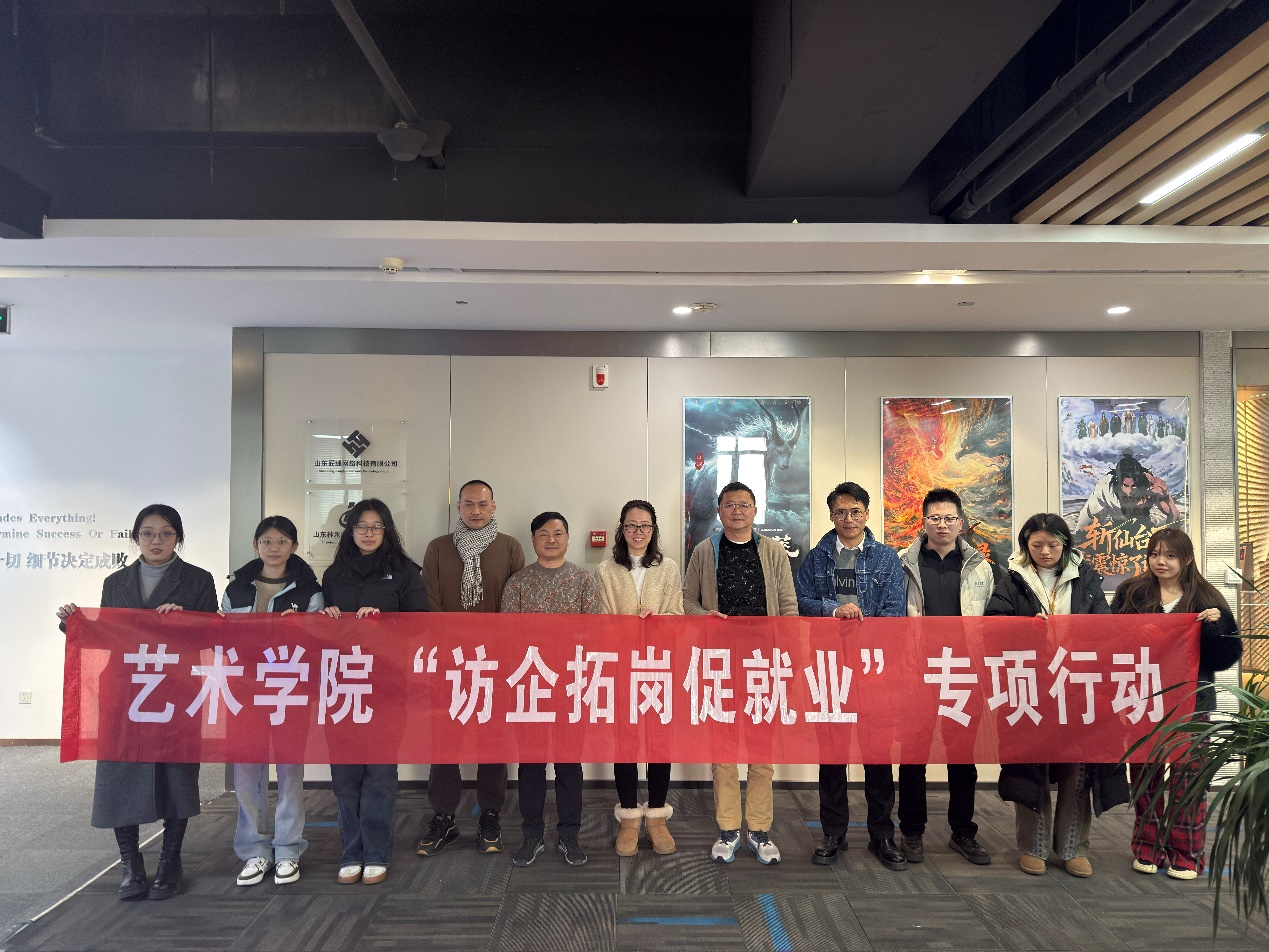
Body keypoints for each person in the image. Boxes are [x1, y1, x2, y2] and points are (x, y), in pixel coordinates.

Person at [56, 504, 218, 902]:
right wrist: (72, 623)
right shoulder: (116, 582)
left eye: (165, 533)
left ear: (178, 537)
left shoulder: (198, 579)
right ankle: (130, 864)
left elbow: (214, 635)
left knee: (178, 776)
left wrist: (187, 619)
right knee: (120, 774)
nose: (156, 540)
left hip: (175, 691)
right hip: (125, 691)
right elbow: (109, 636)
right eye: (147, 533)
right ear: (136, 537)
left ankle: (169, 863)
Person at [986, 513, 1127, 878]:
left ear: (1065, 545)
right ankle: (1032, 846)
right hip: (1031, 685)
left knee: (1076, 769)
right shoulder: (1012, 580)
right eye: (1037, 545)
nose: (1045, 552)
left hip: (1076, 684)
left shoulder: (1086, 578)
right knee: (1030, 765)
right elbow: (993, 627)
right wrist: (1024, 629)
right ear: (1026, 546)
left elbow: (1106, 627)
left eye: (1052, 545)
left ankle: (1072, 847)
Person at [1111, 527, 1240, 880]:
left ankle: (1186, 852)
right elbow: (1112, 641)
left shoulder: (1207, 598)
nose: (1161, 562)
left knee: (1189, 777)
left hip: (1192, 701)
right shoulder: (1131, 593)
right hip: (1143, 699)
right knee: (1145, 777)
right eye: (1155, 554)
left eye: (1170, 555)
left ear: (1187, 559)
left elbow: (1226, 657)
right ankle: (1147, 847)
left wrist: (1214, 628)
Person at [684, 481, 797, 866]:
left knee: (762, 750)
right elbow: (687, 600)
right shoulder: (705, 551)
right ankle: (729, 829)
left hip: (764, 662)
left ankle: (760, 830)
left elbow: (788, 604)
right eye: (729, 505)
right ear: (720, 511)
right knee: (724, 751)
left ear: (755, 510)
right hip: (720, 662)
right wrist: (705, 616)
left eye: (744, 504)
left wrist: (787, 652)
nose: (737, 511)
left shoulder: (773, 551)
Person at [794, 482, 907, 870]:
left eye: (855, 511)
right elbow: (801, 602)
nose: (848, 518)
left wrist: (863, 626)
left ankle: (882, 835)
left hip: (874, 669)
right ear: (831, 516)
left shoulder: (886, 558)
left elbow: (895, 610)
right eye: (840, 512)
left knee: (877, 755)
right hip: (829, 668)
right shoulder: (816, 558)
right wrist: (833, 610)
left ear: (866, 514)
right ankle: (833, 833)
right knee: (832, 755)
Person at [320, 498, 428, 886]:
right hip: (342, 685)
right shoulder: (334, 574)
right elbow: (321, 632)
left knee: (379, 774)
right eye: (362, 526)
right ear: (350, 531)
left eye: (376, 526)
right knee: (345, 775)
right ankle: (351, 852)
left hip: (386, 684)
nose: (369, 533)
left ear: (387, 531)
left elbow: (422, 626)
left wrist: (385, 623)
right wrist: (326, 618)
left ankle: (377, 853)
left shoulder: (405, 572)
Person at [417, 479, 524, 857]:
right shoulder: (438, 548)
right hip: (449, 661)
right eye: (468, 504)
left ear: (493, 507)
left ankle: (490, 814)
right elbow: (430, 603)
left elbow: (516, 603)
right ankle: (444, 817)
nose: (475, 510)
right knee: (444, 740)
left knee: (492, 740)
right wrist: (449, 649)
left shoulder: (509, 547)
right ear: (458, 507)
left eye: (482, 504)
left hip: (495, 662)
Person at [221, 515, 325, 887]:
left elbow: (316, 646)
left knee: (289, 771)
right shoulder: (236, 589)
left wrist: (299, 628)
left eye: (282, 541)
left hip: (288, 689)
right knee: (247, 773)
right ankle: (254, 850)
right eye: (266, 541)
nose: (274, 547)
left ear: (294, 546)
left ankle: (288, 850)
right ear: (256, 545)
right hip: (245, 691)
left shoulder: (310, 591)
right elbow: (225, 640)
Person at [897, 488, 994, 866]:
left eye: (949, 518)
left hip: (963, 673)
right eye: (935, 518)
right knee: (913, 758)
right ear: (923, 521)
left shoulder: (980, 566)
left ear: (961, 522)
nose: (942, 524)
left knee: (962, 758)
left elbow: (994, 620)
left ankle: (962, 832)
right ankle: (912, 832)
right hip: (917, 672)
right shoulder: (902, 563)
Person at [501, 511, 604, 867]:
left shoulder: (583, 580)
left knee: (568, 765)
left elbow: (594, 633)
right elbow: (508, 636)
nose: (551, 539)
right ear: (533, 540)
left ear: (567, 538)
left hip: (570, 687)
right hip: (530, 687)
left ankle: (569, 835)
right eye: (543, 533)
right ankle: (531, 835)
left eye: (558, 533)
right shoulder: (518, 582)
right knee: (530, 765)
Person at [595, 500, 683, 857]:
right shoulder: (605, 570)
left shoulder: (668, 568)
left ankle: (657, 816)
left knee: (660, 741)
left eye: (645, 526)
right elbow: (601, 619)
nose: (638, 532)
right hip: (621, 666)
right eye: (631, 526)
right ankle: (629, 817)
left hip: (659, 666)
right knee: (626, 742)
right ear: (622, 529)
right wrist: (625, 627)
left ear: (653, 530)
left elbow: (678, 614)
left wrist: (659, 620)